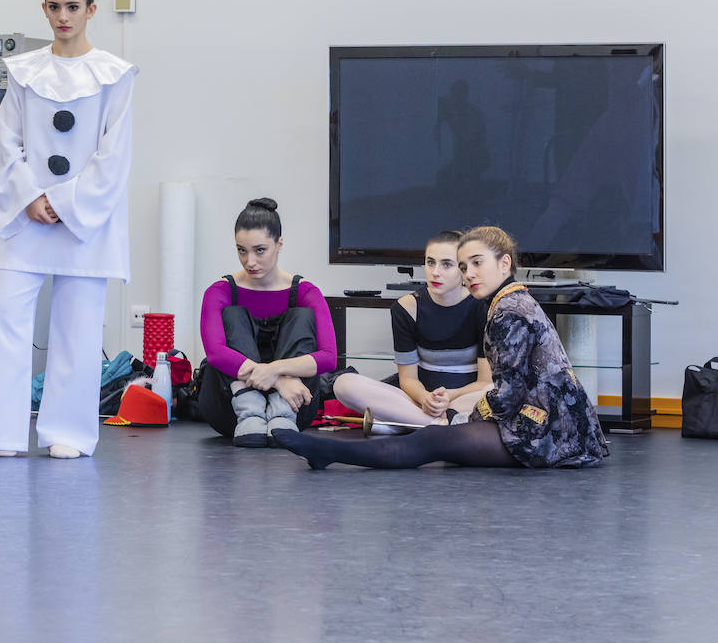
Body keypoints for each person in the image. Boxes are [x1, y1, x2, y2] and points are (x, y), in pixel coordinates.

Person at [0, 0, 137, 459]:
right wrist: (30, 195)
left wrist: (65, 201)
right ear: (44, 9)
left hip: (83, 222)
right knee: (5, 315)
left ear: (91, 9)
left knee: (77, 325)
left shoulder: (115, 76)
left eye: (72, 6)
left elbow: (113, 155)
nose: (62, 16)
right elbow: (8, 140)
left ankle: (68, 433)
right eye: (53, 7)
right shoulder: (23, 72)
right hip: (27, 214)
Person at [273, 226, 610, 470]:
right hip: (548, 424)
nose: (469, 274)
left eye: (477, 263)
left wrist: (456, 416)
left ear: (504, 264)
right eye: (464, 266)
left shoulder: (508, 312)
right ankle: (332, 450)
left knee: (433, 441)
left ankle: (329, 452)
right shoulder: (510, 302)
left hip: (547, 433)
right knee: (431, 435)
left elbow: (506, 395)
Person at [198, 198, 338, 447]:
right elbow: (216, 354)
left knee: (302, 316)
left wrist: (273, 370)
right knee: (232, 314)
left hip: (292, 408)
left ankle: (279, 411)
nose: (249, 261)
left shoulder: (306, 292)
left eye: (259, 250)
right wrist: (279, 379)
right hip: (230, 408)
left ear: (279, 243)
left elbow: (328, 357)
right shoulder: (220, 291)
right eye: (242, 250)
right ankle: (250, 408)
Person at [330, 230, 491, 427]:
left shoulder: (483, 306)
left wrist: (450, 396)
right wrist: (425, 398)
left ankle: (411, 425)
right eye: (430, 262)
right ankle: (439, 426)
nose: (435, 272)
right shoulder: (406, 308)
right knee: (344, 384)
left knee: (501, 391)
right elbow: (408, 379)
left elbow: (485, 382)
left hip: (465, 399)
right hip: (417, 401)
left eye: (446, 264)